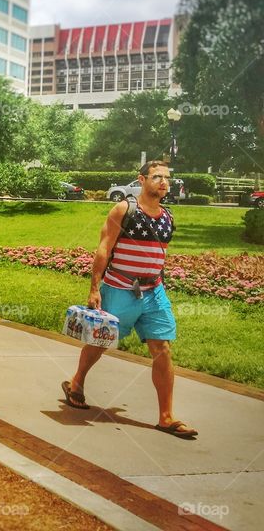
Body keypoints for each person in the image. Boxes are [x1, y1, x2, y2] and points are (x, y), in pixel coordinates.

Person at [61, 160, 198, 439]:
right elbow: (104, 248)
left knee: (163, 348)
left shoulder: (167, 216)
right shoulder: (124, 209)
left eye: (166, 178)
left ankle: (166, 417)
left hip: (154, 292)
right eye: (156, 176)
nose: (163, 182)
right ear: (142, 179)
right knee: (100, 342)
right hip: (120, 288)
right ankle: (76, 383)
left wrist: (156, 282)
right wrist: (94, 288)